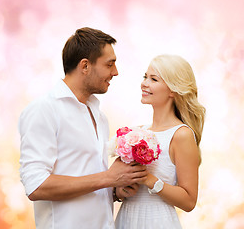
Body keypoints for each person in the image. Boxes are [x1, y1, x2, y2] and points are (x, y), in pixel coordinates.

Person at [18, 27, 147, 229]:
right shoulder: (44, 110)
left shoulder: (99, 115)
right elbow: (36, 186)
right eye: (109, 64)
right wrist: (108, 178)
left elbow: (89, 178)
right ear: (85, 66)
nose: (115, 72)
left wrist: (115, 190)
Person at [115, 54, 206, 228]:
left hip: (157, 221)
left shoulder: (181, 135)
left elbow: (189, 201)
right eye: (145, 77)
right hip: (127, 218)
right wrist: (122, 189)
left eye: (153, 79)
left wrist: (150, 180)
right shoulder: (137, 132)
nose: (144, 83)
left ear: (172, 90)